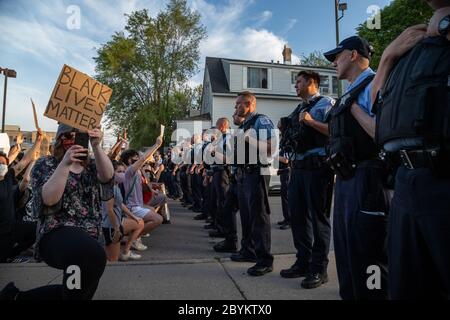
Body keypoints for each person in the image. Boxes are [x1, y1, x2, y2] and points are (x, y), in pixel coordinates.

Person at [373, 0, 450, 299]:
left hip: (443, 173)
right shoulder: (410, 45)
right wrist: (388, 57)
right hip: (407, 179)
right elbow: (377, 107)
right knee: (406, 287)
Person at [1, 124, 113, 300]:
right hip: (57, 232)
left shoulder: (91, 165)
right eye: (69, 135)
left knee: (77, 292)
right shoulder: (45, 164)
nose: (74, 139)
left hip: (90, 237)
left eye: (80, 135)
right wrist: (65, 164)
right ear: (60, 138)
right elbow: (50, 199)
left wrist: (97, 146)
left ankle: (16, 298)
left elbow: (107, 176)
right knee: (86, 258)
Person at [324, 36, 389, 299]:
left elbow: (383, 132)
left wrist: (352, 109)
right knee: (346, 249)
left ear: (352, 55)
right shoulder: (349, 92)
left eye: (336, 57)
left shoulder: (376, 83)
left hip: (369, 178)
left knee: (369, 254)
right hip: (347, 179)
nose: (333, 63)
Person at [280, 70, 335, 289]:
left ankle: (319, 269)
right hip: (298, 169)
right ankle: (303, 262)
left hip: (318, 168)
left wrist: (311, 122)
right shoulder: (299, 108)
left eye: (299, 82)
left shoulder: (327, 104)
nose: (296, 86)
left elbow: (336, 131)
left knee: (318, 218)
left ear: (311, 82)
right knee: (298, 216)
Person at [230, 91, 275, 277]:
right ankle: (248, 250)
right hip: (243, 175)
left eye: (239, 104)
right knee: (247, 216)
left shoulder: (260, 121)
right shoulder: (245, 125)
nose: (236, 108)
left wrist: (250, 138)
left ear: (249, 104)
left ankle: (264, 259)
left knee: (259, 216)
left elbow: (271, 148)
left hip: (256, 173)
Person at [0, 129, 43, 263]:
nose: (1, 166)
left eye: (3, 163)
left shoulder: (8, 177)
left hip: (12, 227)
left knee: (36, 231)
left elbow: (25, 160)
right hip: (1, 233)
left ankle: (13, 254)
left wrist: (38, 141)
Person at [119, 135, 164, 250]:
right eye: (135, 157)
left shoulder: (135, 170)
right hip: (132, 207)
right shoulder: (129, 171)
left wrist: (125, 143)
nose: (138, 158)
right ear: (129, 160)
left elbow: (142, 158)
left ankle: (134, 235)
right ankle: (132, 238)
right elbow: (144, 158)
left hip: (137, 205)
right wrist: (156, 145)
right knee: (158, 219)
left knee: (152, 210)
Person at [213, 113, 244, 253]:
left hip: (227, 173)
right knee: (224, 206)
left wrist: (215, 154)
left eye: (217, 127)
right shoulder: (223, 139)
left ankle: (232, 240)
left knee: (228, 206)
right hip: (225, 173)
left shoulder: (229, 138)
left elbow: (231, 158)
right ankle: (228, 237)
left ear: (222, 126)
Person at [102, 161, 144, 262]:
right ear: (111, 172)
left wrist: (133, 216)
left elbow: (120, 204)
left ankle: (126, 251)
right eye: (119, 171)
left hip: (114, 224)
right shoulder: (110, 188)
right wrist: (117, 229)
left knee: (139, 223)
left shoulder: (115, 186)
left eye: (123, 171)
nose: (122, 174)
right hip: (111, 226)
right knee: (112, 259)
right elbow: (109, 210)